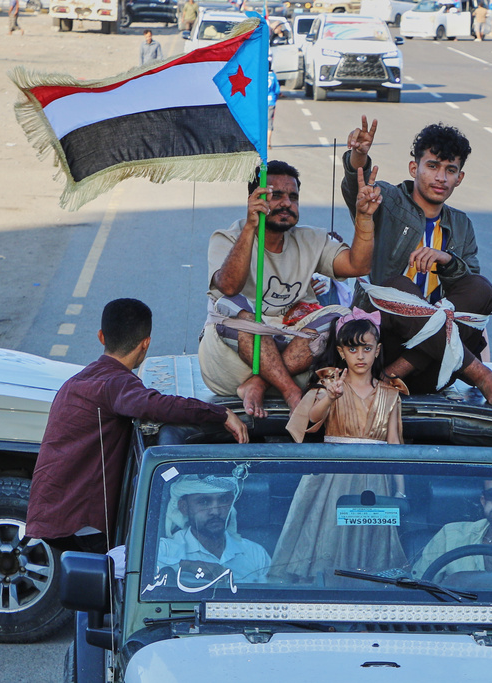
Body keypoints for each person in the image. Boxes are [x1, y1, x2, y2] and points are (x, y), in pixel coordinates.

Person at [26, 299, 249, 555]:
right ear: (146, 343)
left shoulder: (74, 383)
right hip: (84, 523)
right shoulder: (116, 384)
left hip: (50, 516)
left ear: (101, 336)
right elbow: (156, 405)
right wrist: (220, 413)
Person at [340, 117, 492, 405]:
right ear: (415, 168)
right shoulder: (388, 200)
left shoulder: (461, 225)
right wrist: (358, 156)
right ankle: (481, 374)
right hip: (383, 341)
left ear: (459, 178)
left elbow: (470, 293)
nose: (440, 178)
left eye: (450, 170)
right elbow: (356, 189)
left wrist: (446, 260)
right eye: (432, 166)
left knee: (482, 288)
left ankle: (394, 374)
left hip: (434, 361)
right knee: (398, 285)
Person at [200, 160, 381, 418]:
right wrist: (252, 226)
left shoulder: (311, 238)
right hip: (235, 363)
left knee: (342, 315)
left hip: (295, 353)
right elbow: (228, 286)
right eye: (276, 196)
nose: (286, 203)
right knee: (230, 303)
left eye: (293, 197)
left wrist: (364, 218)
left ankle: (261, 383)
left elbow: (357, 265)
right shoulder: (228, 237)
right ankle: (289, 392)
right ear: (254, 199)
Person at [272, 312, 408, 582]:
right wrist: (331, 398)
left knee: (371, 552)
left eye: (367, 348)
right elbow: (313, 417)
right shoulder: (331, 386)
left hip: (375, 483)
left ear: (377, 350)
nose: (360, 356)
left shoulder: (391, 394)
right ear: (340, 352)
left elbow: (395, 446)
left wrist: (401, 491)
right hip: (332, 481)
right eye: (352, 348)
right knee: (328, 543)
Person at [156, 475, 271, 582]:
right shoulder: (164, 549)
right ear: (184, 507)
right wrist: (186, 566)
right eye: (204, 502)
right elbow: (145, 571)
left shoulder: (255, 553)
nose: (216, 511)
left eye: (224, 500)